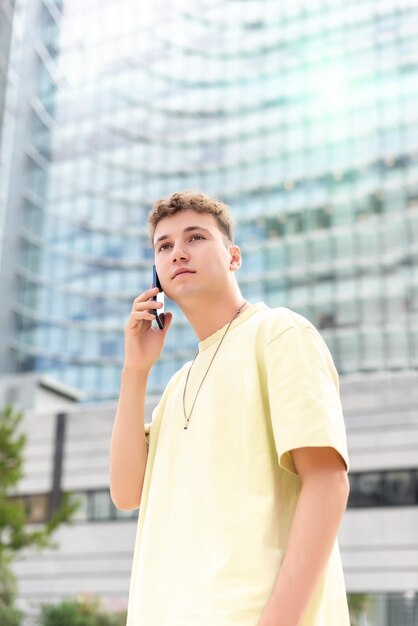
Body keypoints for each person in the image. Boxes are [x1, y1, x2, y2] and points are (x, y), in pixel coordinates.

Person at [110, 190, 351, 626]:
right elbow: (126, 494)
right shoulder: (176, 384)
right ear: (156, 273)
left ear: (233, 256)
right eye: (164, 246)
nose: (178, 252)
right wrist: (135, 370)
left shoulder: (279, 332)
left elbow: (328, 482)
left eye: (195, 238)